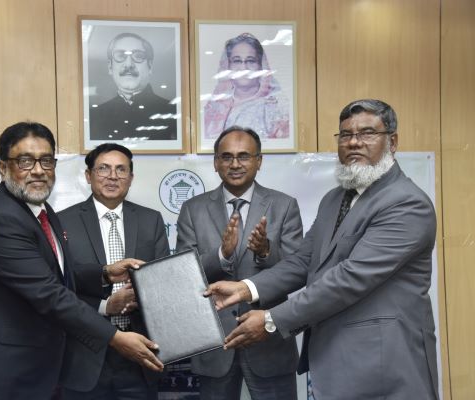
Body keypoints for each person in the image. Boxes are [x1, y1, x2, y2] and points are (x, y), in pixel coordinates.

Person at [205, 100, 440, 400]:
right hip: (334, 363)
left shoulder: (407, 203)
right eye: (346, 134)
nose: (354, 142)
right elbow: (304, 261)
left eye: (367, 133)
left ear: (392, 142)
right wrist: (246, 288)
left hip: (385, 367)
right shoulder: (335, 199)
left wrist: (272, 320)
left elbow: (349, 278)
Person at [0, 122, 163, 400]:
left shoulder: (40, 211)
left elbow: (56, 272)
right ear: (3, 168)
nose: (38, 170)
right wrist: (114, 337)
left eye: (46, 160)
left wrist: (104, 273)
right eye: (25, 161)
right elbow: (49, 293)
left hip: (31, 370)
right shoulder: (3, 219)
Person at [176, 126, 303, 400]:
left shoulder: (284, 205)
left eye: (244, 156)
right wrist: (221, 254)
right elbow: (183, 275)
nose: (235, 164)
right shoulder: (193, 209)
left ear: (259, 161)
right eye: (226, 157)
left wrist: (266, 251)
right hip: (215, 344)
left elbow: (297, 269)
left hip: (268, 340)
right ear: (215, 162)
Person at [58, 143, 170, 399]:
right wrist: (105, 305)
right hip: (84, 353)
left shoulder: (151, 220)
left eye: (121, 169)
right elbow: (59, 286)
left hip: (139, 354)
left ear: (131, 177)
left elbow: (163, 281)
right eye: (103, 169)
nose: (112, 176)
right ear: (88, 175)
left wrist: (141, 297)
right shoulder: (63, 221)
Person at [89, 32, 177, 141]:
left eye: (138, 56)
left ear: (150, 66)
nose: (128, 64)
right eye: (121, 56)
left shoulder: (174, 113)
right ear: (110, 67)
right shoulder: (93, 116)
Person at [203, 33, 289, 140]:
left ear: (261, 66)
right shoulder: (215, 106)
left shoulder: (277, 106)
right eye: (237, 61)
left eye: (250, 60)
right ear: (228, 66)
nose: (243, 67)